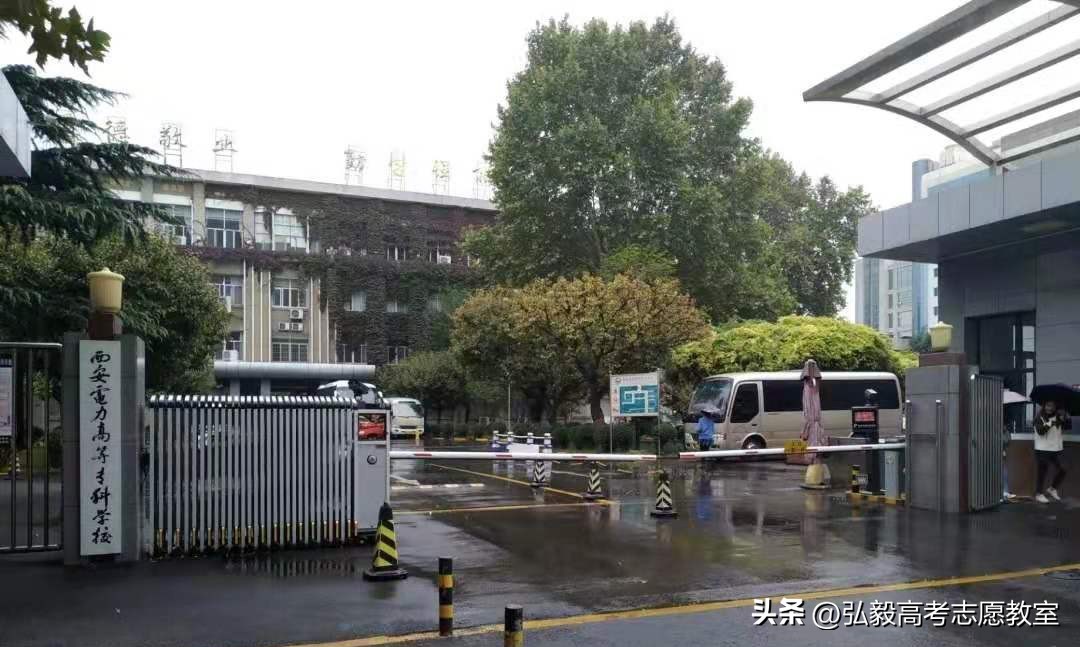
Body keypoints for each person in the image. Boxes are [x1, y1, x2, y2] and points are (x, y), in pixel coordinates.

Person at [1033, 399, 1070, 503]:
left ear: (1055, 407)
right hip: (1042, 449)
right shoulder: (1039, 417)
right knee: (1042, 472)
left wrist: (1066, 418)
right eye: (1048, 405)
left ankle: (1052, 489)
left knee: (1063, 469)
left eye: (1052, 406)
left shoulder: (1058, 416)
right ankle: (1038, 494)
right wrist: (1050, 423)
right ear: (1044, 406)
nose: (1049, 408)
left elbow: (1067, 427)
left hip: (1055, 448)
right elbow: (1040, 431)